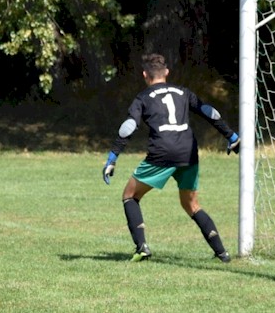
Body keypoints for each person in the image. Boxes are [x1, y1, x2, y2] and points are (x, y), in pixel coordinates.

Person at [102, 53, 241, 262]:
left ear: (144, 75)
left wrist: (112, 158)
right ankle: (222, 253)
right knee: (192, 204)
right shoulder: (183, 92)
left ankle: (142, 248)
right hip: (188, 151)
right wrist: (231, 136)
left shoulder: (142, 98)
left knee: (130, 195)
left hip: (162, 153)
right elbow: (208, 111)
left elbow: (129, 127)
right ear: (166, 72)